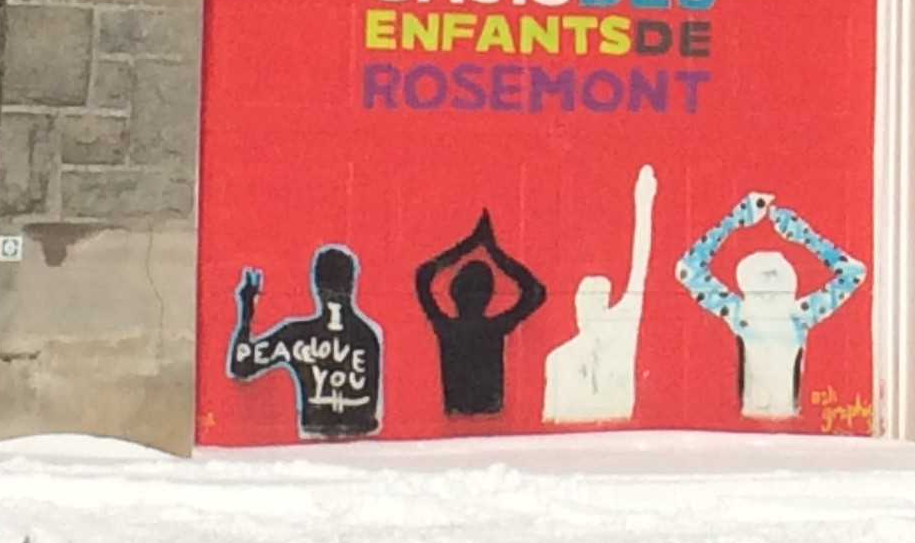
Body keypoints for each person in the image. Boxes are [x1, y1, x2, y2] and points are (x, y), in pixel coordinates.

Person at [676, 191, 866, 420]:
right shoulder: (790, 315)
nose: (769, 285)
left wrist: (736, 220)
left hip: (770, 418)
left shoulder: (751, 313)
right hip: (766, 417)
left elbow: (688, 270)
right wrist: (803, 235)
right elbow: (853, 274)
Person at [225, 244, 384, 439]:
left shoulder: (297, 336)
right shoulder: (367, 337)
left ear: (316, 285)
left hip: (314, 436)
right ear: (352, 283)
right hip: (364, 440)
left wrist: (246, 315)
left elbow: (241, 366)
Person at [542, 164, 657, 426]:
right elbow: (550, 418)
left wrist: (644, 203)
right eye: (585, 298)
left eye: (596, 297)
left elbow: (641, 263)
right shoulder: (559, 358)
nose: (587, 306)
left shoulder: (621, 328)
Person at [413, 211, 549, 418]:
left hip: (456, 412)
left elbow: (423, 276)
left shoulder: (446, 328)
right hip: (490, 411)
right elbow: (534, 291)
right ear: (489, 297)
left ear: (453, 293)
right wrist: (494, 250)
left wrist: (468, 244)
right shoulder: (494, 328)